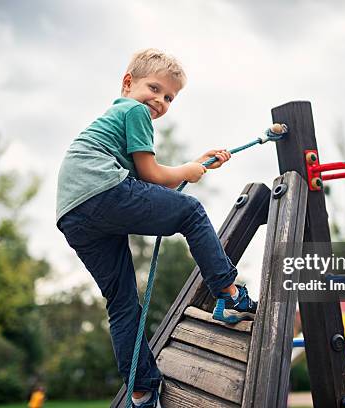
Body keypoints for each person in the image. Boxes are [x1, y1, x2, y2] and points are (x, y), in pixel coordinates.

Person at [56, 48, 257, 408]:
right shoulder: (133, 110)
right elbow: (151, 176)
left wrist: (194, 166)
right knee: (192, 212)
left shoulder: (115, 119)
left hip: (74, 214)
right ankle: (227, 295)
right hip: (101, 193)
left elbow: (150, 179)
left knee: (121, 303)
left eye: (170, 97)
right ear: (128, 82)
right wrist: (186, 172)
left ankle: (143, 390)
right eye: (155, 88)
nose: (160, 101)